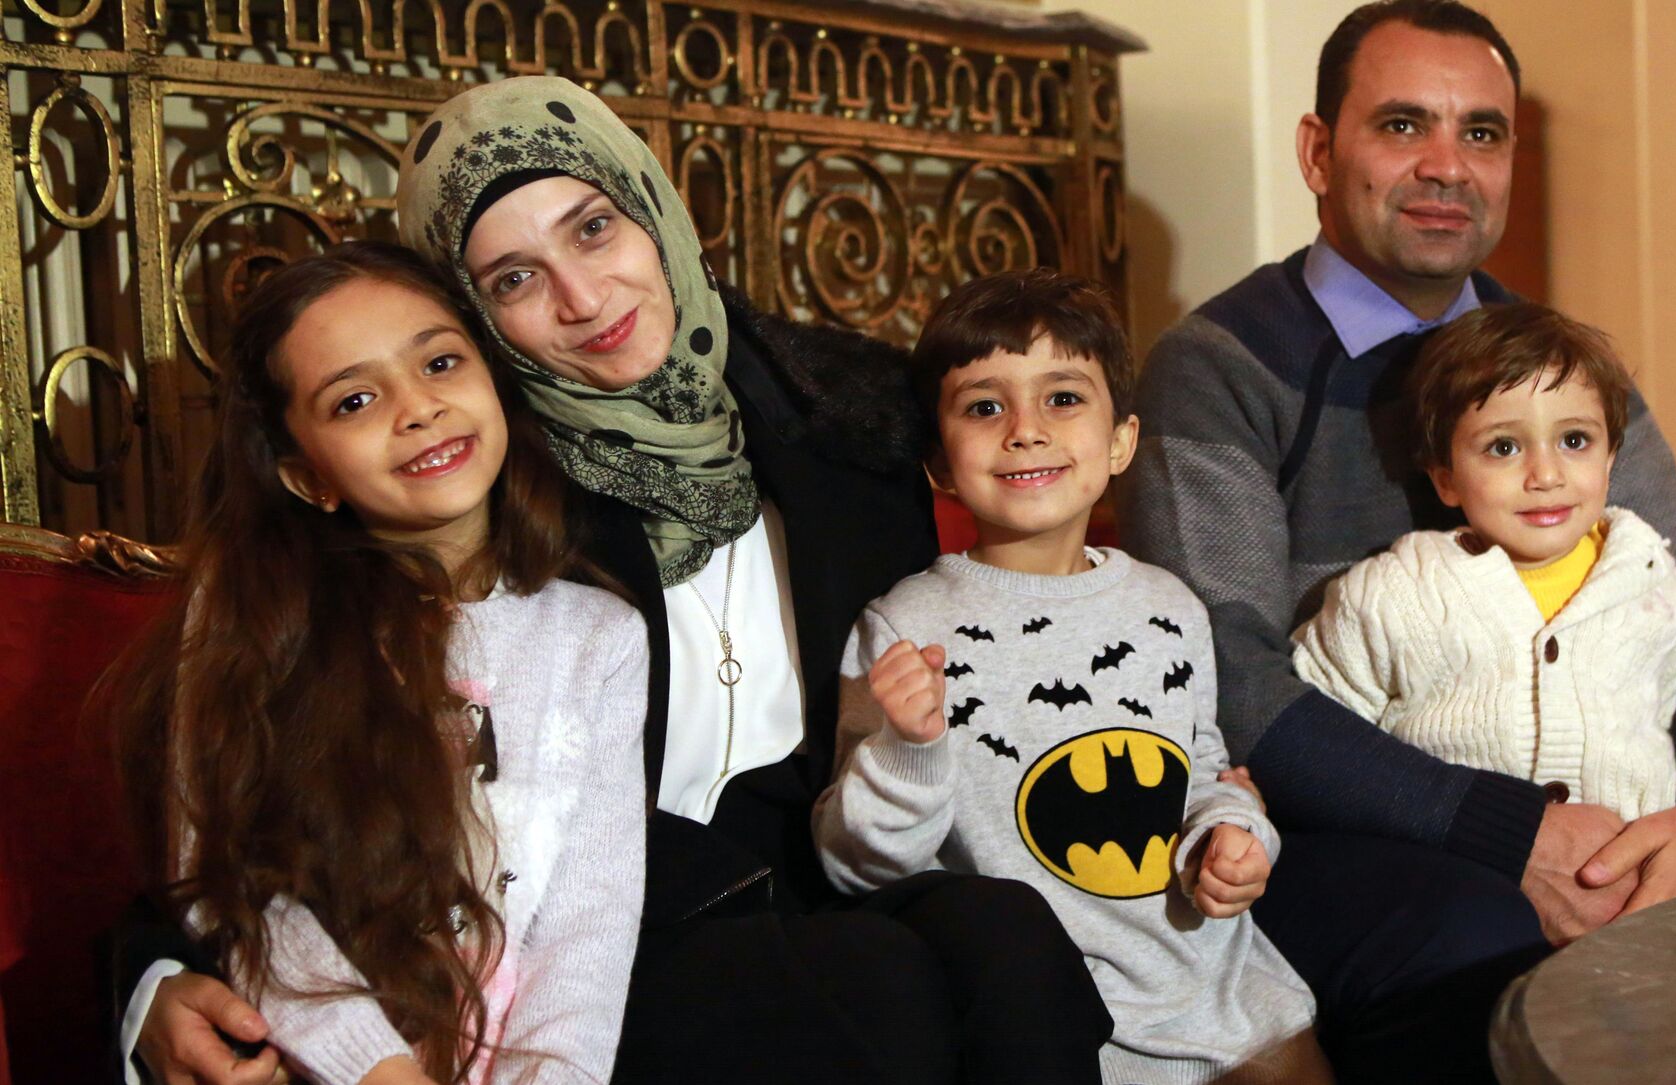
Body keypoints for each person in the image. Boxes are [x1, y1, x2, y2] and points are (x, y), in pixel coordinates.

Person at [122, 77, 1111, 1085]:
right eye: (514, 278)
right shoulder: (489, 485)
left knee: (1008, 941)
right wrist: (153, 978)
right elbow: (282, 792)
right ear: (475, 318)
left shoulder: (848, 425)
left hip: (837, 860)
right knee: (870, 982)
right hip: (611, 928)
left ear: (653, 206)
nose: (584, 298)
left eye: (594, 228)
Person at [1117, 1, 1676, 1081]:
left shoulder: (1558, 368)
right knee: (1481, 938)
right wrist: (1507, 832)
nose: (1448, 165)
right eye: (1402, 125)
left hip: (1594, 792)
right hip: (1333, 822)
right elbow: (1222, 676)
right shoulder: (1220, 366)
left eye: (1481, 132)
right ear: (1318, 152)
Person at [107, 241, 651, 1085]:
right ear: (306, 476)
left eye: (439, 362)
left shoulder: (600, 637)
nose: (418, 408)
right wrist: (379, 1073)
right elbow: (230, 888)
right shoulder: (254, 612)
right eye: (355, 399)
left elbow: (587, 929)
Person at [814, 270, 1329, 1084]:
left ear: (1121, 440)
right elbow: (857, 866)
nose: (1026, 430)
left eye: (1062, 398)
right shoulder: (905, 628)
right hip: (1068, 1025)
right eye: (985, 406)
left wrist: (1233, 832)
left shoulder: (1169, 605)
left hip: (1230, 994)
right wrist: (907, 749)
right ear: (939, 462)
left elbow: (1199, 768)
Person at [1294, 303, 1676, 842]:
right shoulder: (1393, 595)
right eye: (1504, 447)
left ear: (1611, 459)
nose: (1545, 475)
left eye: (1574, 441)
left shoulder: (1668, 595)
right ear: (1446, 479)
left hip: (1627, 865)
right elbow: (1319, 730)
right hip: (1450, 864)